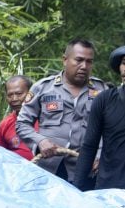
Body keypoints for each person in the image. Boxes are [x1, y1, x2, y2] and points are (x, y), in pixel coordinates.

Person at [16, 39, 108, 182]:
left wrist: (101, 155)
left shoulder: (102, 91)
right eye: (79, 60)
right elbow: (22, 124)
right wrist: (41, 142)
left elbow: (110, 130)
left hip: (88, 169)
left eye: (89, 62)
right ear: (65, 60)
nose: (84, 66)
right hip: (49, 168)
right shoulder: (43, 88)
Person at [74, 45, 125, 191]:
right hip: (108, 190)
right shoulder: (104, 100)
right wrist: (76, 189)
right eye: (124, 63)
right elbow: (89, 146)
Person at [0, 76, 34, 160]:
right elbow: (1, 156)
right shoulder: (4, 124)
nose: (14, 99)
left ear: (30, 94)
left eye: (19, 94)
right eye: (10, 95)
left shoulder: (45, 118)